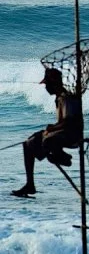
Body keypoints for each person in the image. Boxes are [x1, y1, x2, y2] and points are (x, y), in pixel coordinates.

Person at [12, 68, 83, 198]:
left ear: (53, 84)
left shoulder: (65, 98)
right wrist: (51, 128)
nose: (46, 88)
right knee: (28, 143)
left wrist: (52, 128)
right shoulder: (59, 98)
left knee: (48, 140)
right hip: (62, 132)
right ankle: (30, 184)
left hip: (70, 135)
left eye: (47, 85)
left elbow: (68, 122)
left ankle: (63, 157)